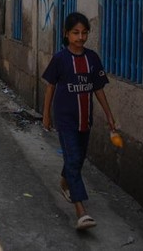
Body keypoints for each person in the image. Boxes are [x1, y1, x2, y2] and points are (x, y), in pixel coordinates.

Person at [42, 12, 117, 230]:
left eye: (84, 33)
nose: (80, 37)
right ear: (66, 34)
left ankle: (65, 182)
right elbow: (50, 88)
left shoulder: (92, 58)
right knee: (73, 159)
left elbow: (99, 89)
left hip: (86, 119)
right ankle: (81, 211)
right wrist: (46, 115)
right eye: (75, 33)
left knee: (78, 159)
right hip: (65, 120)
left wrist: (109, 115)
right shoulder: (60, 59)